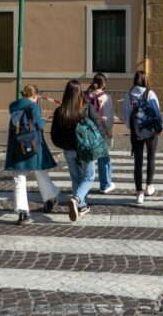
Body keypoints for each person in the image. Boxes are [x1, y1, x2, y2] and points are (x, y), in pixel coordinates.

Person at [51, 80, 106, 222]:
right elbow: (99, 126)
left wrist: (62, 144)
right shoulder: (87, 108)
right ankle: (76, 199)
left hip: (68, 150)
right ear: (79, 92)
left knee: (75, 178)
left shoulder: (60, 111)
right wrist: (100, 143)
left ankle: (81, 206)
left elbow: (54, 134)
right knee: (88, 177)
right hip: (86, 149)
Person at [5, 85, 60, 226]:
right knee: (40, 173)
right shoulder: (34, 106)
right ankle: (50, 198)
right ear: (35, 96)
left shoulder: (14, 107)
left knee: (19, 179)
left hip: (18, 146)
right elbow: (39, 125)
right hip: (33, 145)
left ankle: (23, 213)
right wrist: (42, 120)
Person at [122, 70, 163, 204]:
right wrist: (161, 127)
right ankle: (149, 185)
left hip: (136, 132)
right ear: (145, 80)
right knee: (151, 157)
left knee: (138, 162)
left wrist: (132, 128)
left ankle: (139, 192)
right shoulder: (150, 93)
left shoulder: (128, 95)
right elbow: (156, 112)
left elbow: (126, 115)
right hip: (151, 131)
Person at [85, 73, 115, 194]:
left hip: (85, 131)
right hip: (100, 131)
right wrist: (109, 134)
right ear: (104, 84)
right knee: (104, 159)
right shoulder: (106, 98)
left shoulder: (85, 95)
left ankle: (84, 185)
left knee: (86, 159)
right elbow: (109, 120)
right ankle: (105, 184)